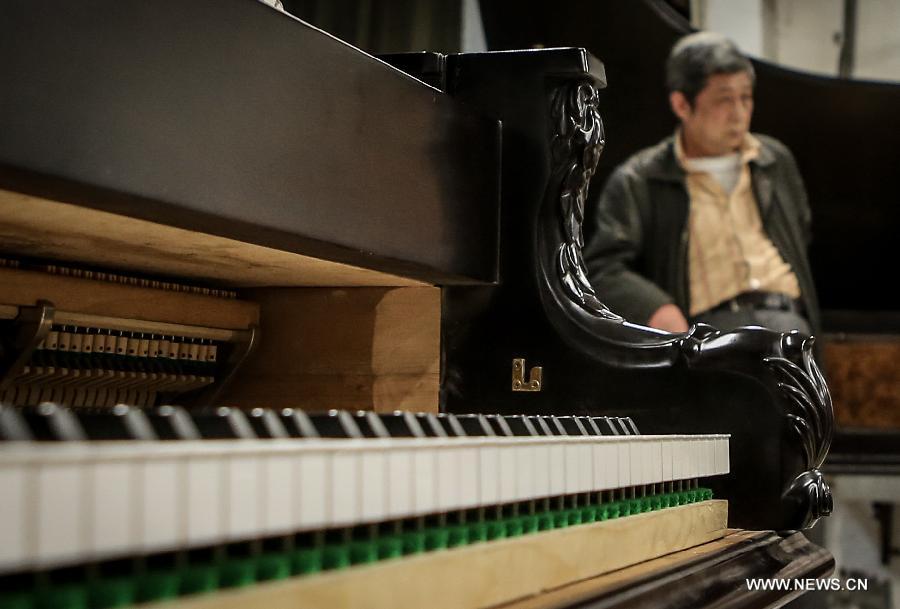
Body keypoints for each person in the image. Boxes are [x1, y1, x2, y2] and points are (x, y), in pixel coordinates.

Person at [583, 31, 819, 336]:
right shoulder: (639, 178)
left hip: (789, 322)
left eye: (745, 97)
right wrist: (657, 308)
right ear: (682, 105)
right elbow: (604, 268)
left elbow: (800, 231)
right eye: (724, 100)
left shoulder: (775, 161)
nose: (739, 113)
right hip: (708, 331)